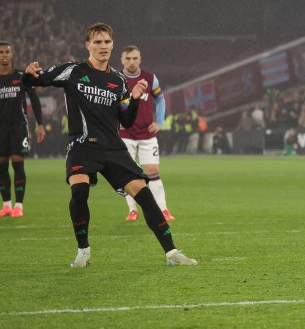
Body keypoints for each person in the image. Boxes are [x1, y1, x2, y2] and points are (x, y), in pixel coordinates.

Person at [23, 22, 196, 268]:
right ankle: (83, 252)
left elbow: (126, 119)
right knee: (79, 191)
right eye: (97, 42)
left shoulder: (118, 80)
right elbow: (34, 81)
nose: (103, 46)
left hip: (113, 147)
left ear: (112, 45)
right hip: (82, 145)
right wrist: (30, 73)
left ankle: (172, 253)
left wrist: (134, 100)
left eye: (106, 42)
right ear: (88, 45)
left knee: (145, 195)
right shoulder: (72, 70)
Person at [117, 45, 176, 222]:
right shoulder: (117, 79)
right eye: (128, 58)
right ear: (122, 60)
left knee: (152, 170)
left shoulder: (150, 78)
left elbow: (160, 98)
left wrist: (159, 121)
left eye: (135, 58)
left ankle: (164, 210)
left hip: (146, 134)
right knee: (127, 174)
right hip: (125, 134)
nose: (132, 62)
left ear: (140, 59)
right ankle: (132, 210)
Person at [0, 41, 46, 217]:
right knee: (2, 167)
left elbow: (34, 99)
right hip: (0, 129)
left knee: (18, 162)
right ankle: (6, 205)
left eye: (6, 52)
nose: (4, 55)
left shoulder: (21, 75)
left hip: (18, 126)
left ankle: (18, 205)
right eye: (1, 52)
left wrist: (39, 124)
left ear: (11, 54)